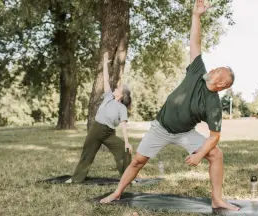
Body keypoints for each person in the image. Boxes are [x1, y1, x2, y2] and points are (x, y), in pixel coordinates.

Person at [100, 0, 239, 211]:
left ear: (222, 84)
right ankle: (117, 193)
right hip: (160, 127)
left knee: (216, 154)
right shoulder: (197, 72)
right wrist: (196, 16)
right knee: (137, 161)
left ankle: (217, 199)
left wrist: (200, 153)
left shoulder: (213, 105)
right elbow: (195, 43)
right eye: (217, 67)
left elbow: (214, 136)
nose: (214, 69)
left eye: (219, 70)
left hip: (184, 133)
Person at [65, 52, 133, 183]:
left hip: (108, 133)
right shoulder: (108, 97)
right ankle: (76, 178)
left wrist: (127, 142)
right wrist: (105, 62)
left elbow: (124, 126)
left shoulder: (122, 108)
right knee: (87, 153)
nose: (115, 88)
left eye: (118, 88)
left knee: (125, 150)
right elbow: (106, 80)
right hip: (96, 129)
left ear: (122, 95)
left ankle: (127, 179)